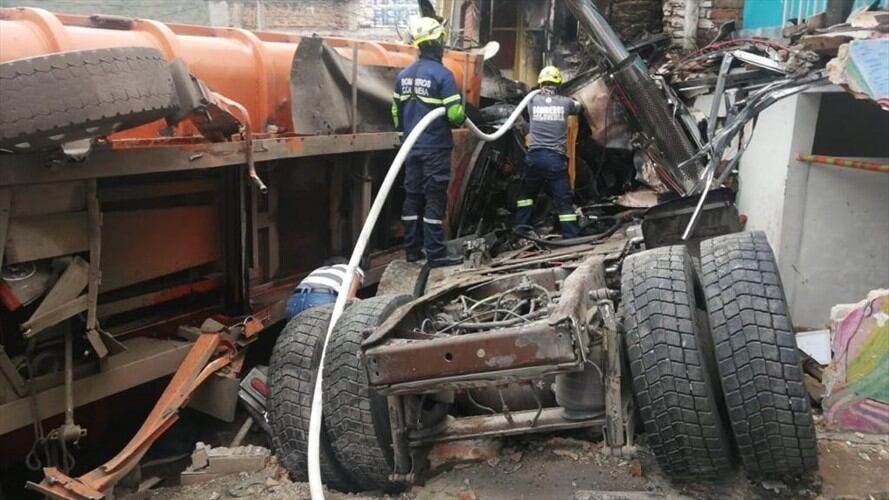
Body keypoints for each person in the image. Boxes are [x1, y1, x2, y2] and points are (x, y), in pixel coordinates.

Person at [391, 17, 466, 268]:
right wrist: (461, 116)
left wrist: (404, 133)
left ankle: (412, 250)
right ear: (437, 42)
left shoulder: (403, 75)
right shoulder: (443, 75)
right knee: (434, 197)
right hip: (434, 147)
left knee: (412, 196)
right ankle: (436, 253)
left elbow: (395, 113)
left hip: (411, 146)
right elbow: (455, 114)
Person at [515, 65, 582, 239]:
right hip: (554, 160)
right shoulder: (566, 103)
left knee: (526, 196)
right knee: (563, 200)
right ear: (558, 83)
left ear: (540, 83)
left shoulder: (531, 101)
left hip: (534, 158)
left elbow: (521, 111)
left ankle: (520, 230)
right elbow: (579, 107)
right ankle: (571, 235)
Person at [285, 257, 364, 319]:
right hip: (320, 299)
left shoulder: (319, 270)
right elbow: (355, 274)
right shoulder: (349, 267)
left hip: (294, 301)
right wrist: (351, 297)